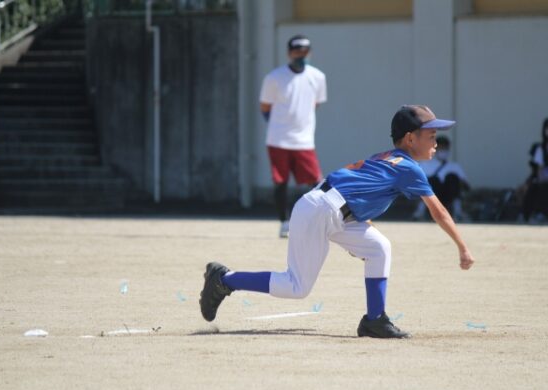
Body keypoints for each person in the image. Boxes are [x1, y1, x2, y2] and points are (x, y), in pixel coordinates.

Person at [199, 105, 475, 339]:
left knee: (378, 247)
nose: (436, 143)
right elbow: (439, 211)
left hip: (333, 211)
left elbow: (358, 192)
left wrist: (361, 236)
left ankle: (374, 319)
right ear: (410, 139)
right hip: (320, 211)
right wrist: (462, 247)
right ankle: (224, 279)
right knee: (296, 287)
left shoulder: (386, 158)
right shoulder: (410, 169)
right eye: (431, 135)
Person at [259, 34, 328, 238]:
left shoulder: (318, 77)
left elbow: (316, 103)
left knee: (316, 182)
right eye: (297, 51)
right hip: (278, 139)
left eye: (305, 51)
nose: (301, 55)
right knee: (280, 182)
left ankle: (319, 222)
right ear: (289, 53)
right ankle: (284, 222)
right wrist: (280, 125)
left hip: (304, 140)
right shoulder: (274, 78)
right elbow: (265, 108)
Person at [411, 136, 470, 221]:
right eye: (441, 148)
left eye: (445, 148)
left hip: (449, 196)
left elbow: (466, 185)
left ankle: (458, 212)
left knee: (452, 177)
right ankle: (420, 212)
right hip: (432, 198)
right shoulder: (425, 164)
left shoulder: (454, 166)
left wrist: (458, 183)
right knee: (432, 180)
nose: (443, 151)